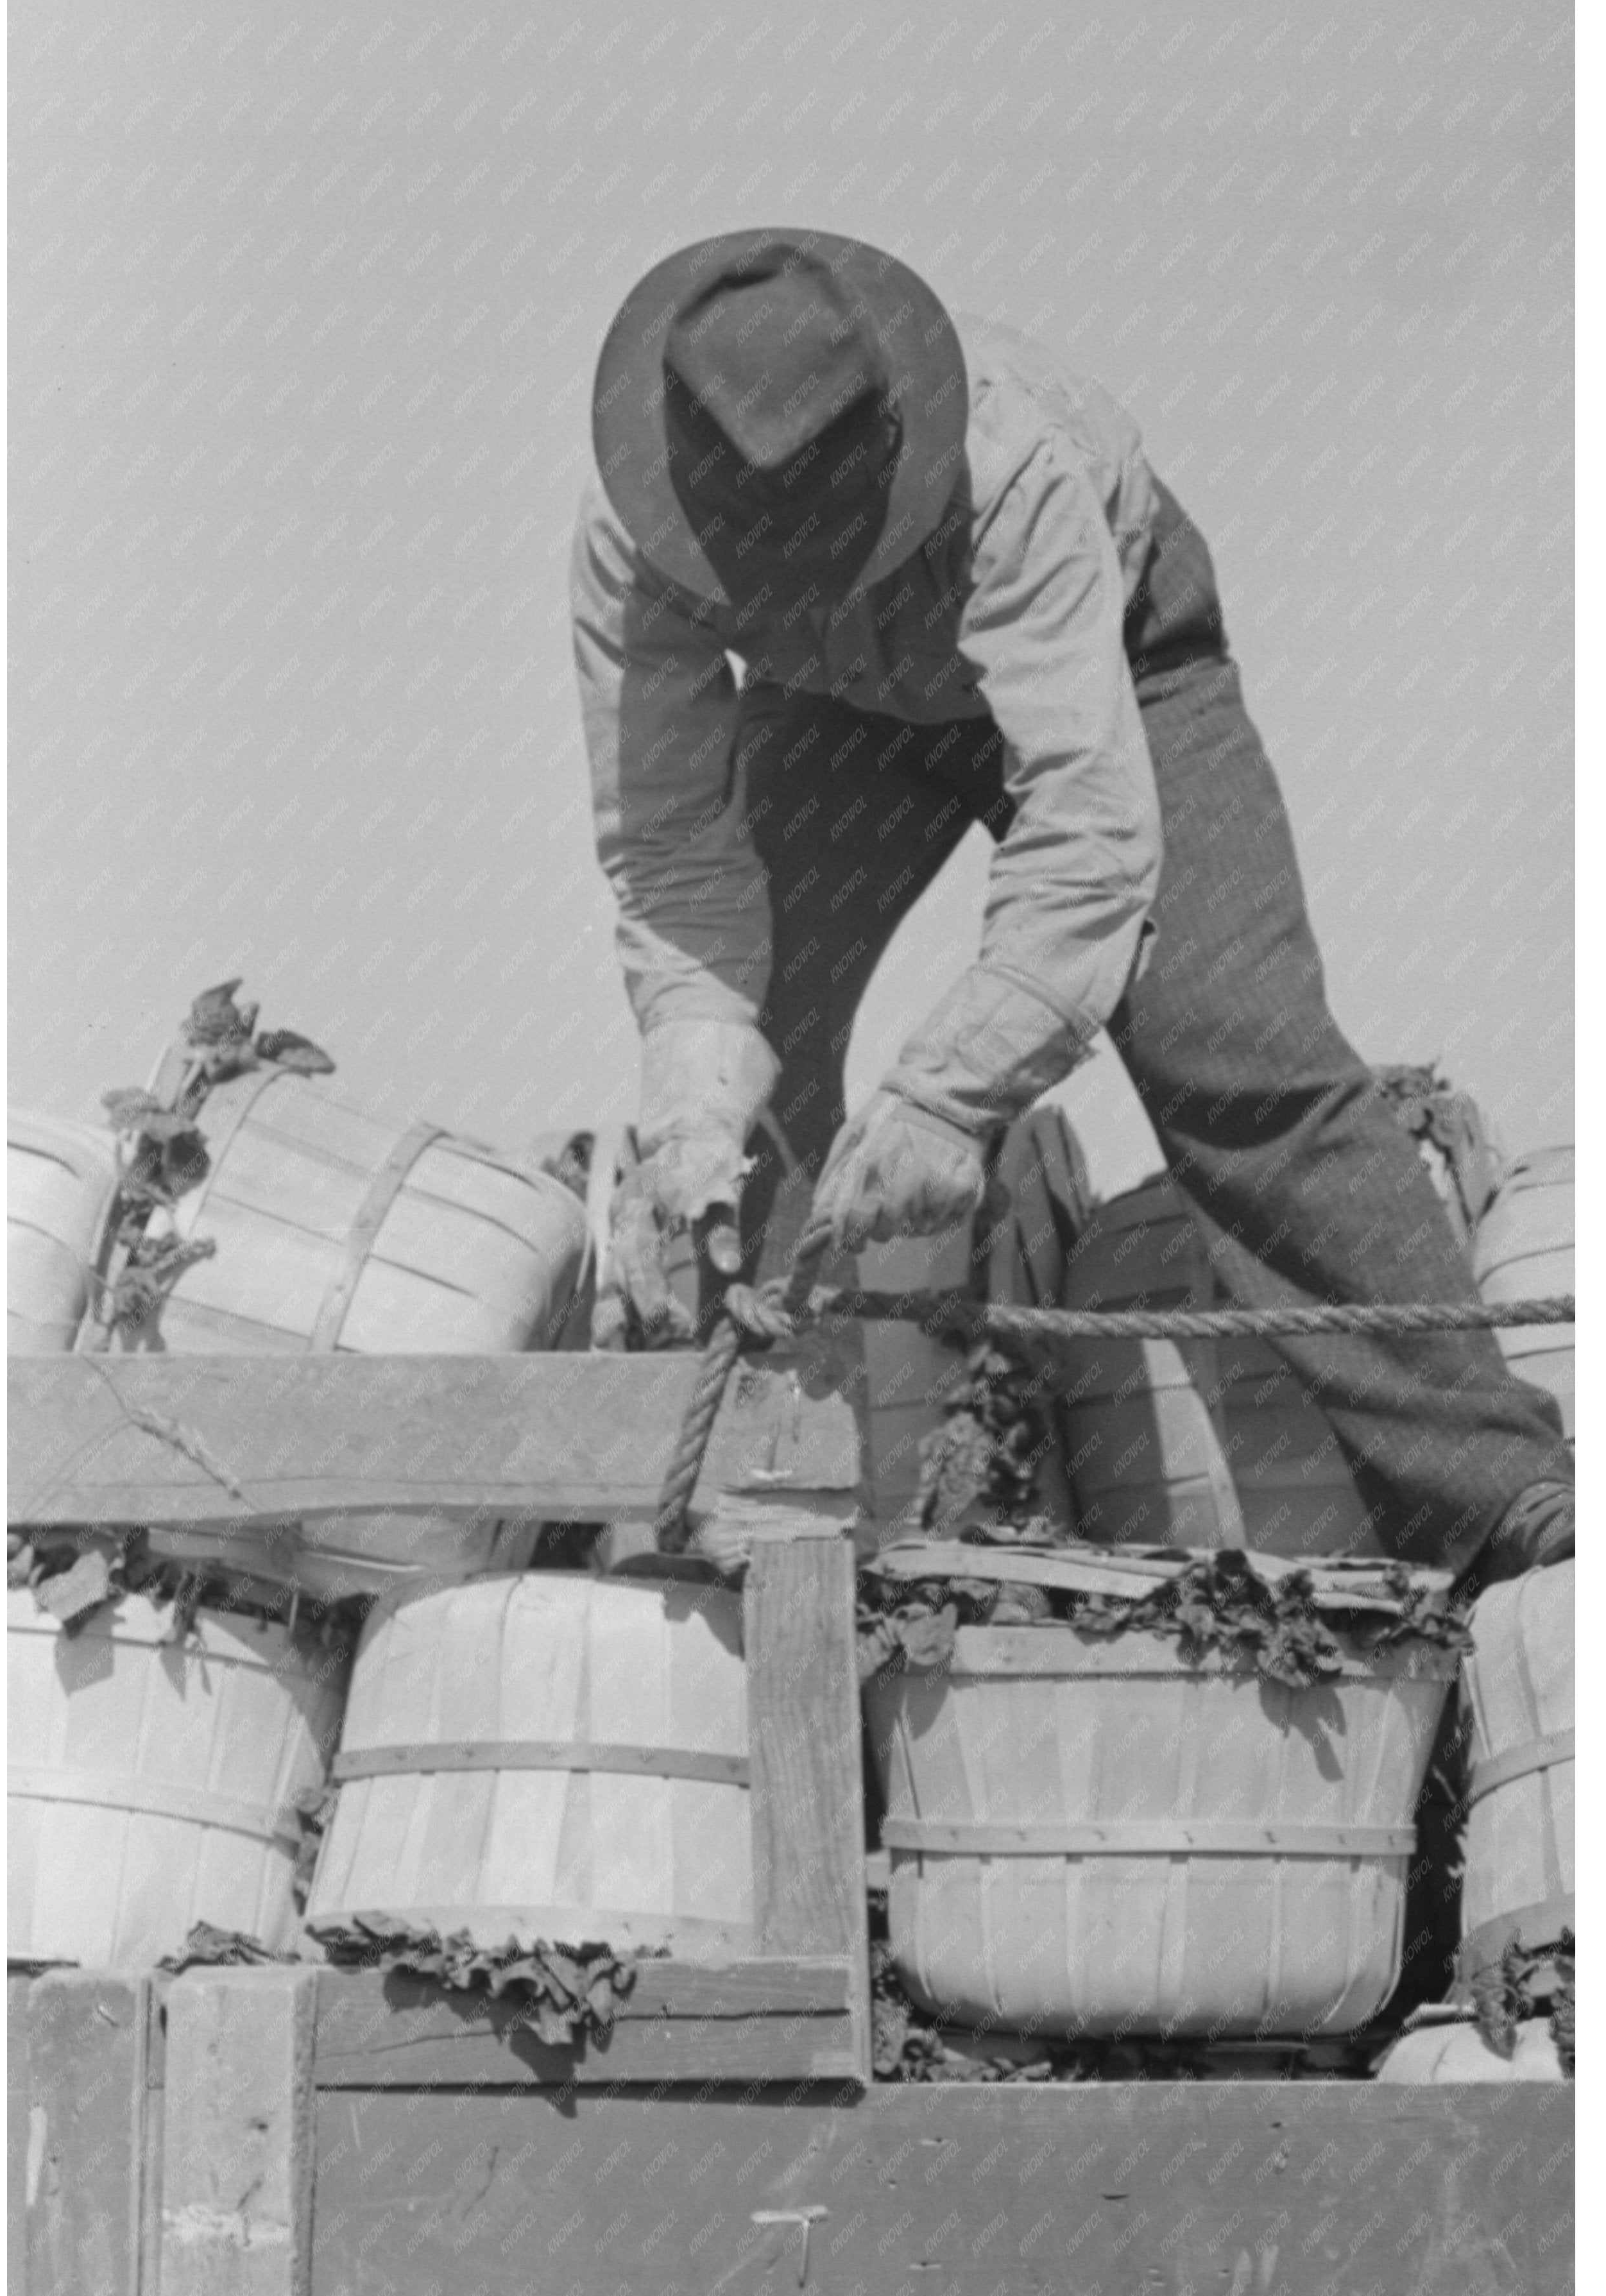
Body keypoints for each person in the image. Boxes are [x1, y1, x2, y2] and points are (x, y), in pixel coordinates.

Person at [569, 226, 1571, 1581]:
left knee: (1231, 1042)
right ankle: (768, 1528)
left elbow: (1085, 839)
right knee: (745, 1085)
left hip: (1117, 662)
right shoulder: (633, 539)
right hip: (847, 705)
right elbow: (677, 853)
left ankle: (1497, 1494)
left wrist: (947, 1097)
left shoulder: (1016, 465)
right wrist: (692, 1093)